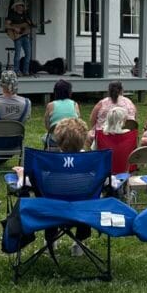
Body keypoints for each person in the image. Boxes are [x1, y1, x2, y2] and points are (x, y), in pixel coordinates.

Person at [47, 117, 92, 256]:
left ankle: (50, 241)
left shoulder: (48, 162)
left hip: (53, 211)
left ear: (58, 140)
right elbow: (108, 182)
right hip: (83, 212)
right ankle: (79, 243)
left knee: (50, 200)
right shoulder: (93, 161)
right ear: (83, 139)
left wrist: (21, 176)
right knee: (87, 200)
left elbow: (32, 182)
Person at [43, 79, 81, 147]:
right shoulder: (74, 104)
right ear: (69, 92)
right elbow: (78, 122)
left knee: (44, 138)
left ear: (55, 92)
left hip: (56, 140)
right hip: (72, 139)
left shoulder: (50, 105)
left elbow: (47, 125)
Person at [4, 0, 33, 76]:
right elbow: (6, 25)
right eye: (20, 5)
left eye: (22, 5)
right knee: (18, 54)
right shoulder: (12, 15)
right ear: (16, 7)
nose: (21, 6)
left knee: (28, 54)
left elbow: (29, 25)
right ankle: (16, 71)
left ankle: (26, 71)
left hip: (25, 36)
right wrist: (15, 28)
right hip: (17, 36)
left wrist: (31, 24)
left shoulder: (26, 15)